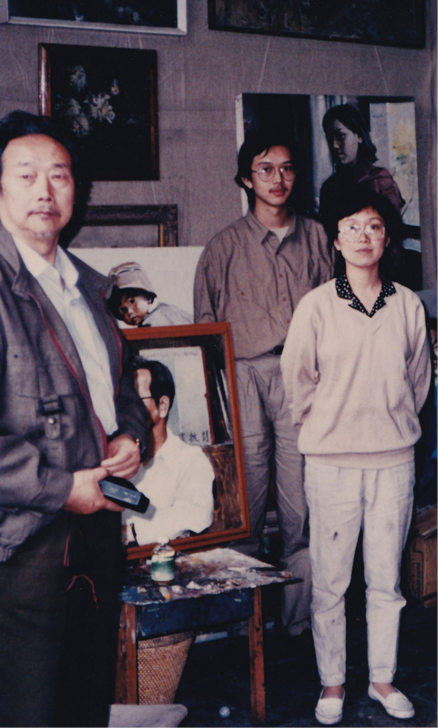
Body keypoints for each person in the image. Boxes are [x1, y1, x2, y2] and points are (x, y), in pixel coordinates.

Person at [0, 110, 149, 728]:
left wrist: (131, 433)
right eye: (26, 176)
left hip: (93, 532)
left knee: (82, 702)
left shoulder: (87, 288)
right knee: (14, 710)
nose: (45, 191)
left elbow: (124, 383)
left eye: (60, 175)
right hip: (16, 542)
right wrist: (60, 488)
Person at [281, 189, 431, 725]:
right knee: (331, 581)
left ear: (387, 239)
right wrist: (327, 428)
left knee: (386, 580)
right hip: (332, 461)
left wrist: (390, 423)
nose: (363, 237)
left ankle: (382, 679)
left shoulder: (407, 304)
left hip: (393, 459)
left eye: (374, 227)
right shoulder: (317, 306)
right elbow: (298, 381)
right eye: (352, 226)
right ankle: (333, 683)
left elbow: (418, 382)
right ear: (336, 239)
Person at [194, 132, 332, 637]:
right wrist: (224, 393)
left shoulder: (318, 238)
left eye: (287, 168)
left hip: (301, 377)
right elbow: (205, 328)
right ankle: (243, 626)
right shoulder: (223, 247)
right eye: (266, 169)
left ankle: (300, 622)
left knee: (302, 505)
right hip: (244, 377)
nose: (278, 179)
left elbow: (335, 313)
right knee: (245, 505)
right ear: (246, 179)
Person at [319, 103, 422, 290]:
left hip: (380, 274)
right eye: (329, 138)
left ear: (358, 136)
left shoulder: (380, 181)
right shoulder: (330, 187)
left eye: (341, 136)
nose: (334, 145)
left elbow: (390, 238)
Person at [122, 358, 215, 546]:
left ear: (162, 406)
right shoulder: (119, 458)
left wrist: (131, 532)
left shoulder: (189, 459)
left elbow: (196, 514)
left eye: (137, 400)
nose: (128, 410)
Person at [108, 261, 192, 327]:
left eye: (132, 301)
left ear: (148, 296)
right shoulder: (166, 310)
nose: (129, 312)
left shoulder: (154, 320)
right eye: (123, 310)